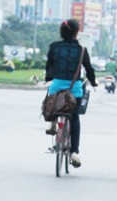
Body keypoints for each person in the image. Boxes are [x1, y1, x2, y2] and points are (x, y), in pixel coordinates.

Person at [45, 19, 98, 168]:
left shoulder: (54, 47)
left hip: (56, 89)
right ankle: (74, 152)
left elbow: (49, 65)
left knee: (52, 102)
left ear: (61, 32)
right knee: (74, 119)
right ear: (76, 33)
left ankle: (53, 123)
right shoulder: (82, 51)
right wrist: (93, 82)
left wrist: (48, 77)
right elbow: (89, 70)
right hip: (74, 91)